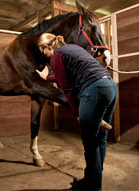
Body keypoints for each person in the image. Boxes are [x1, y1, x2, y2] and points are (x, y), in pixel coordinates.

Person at [36, 33, 118, 190]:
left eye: (42, 51)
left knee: (90, 141)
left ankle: (94, 187)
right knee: (100, 137)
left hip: (95, 90)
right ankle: (91, 180)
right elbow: (66, 76)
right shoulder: (73, 48)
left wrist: (78, 112)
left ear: (46, 47)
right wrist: (47, 78)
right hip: (110, 87)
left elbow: (67, 88)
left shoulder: (56, 57)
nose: (43, 54)